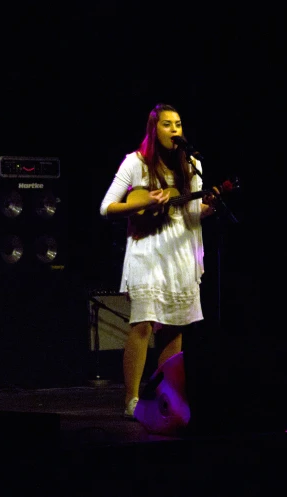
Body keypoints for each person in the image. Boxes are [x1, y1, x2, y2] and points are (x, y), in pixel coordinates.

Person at [99, 103, 220, 418]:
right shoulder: (135, 163)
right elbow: (107, 207)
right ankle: (132, 399)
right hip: (147, 252)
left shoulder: (192, 165)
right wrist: (147, 201)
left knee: (174, 328)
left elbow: (190, 215)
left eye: (178, 124)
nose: (175, 130)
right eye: (168, 124)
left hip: (180, 253)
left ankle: (167, 394)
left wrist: (209, 207)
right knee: (143, 322)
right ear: (154, 130)